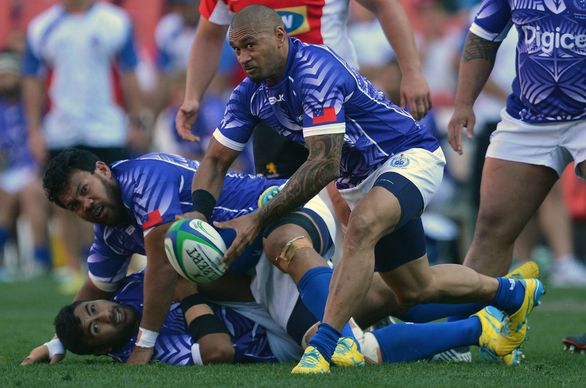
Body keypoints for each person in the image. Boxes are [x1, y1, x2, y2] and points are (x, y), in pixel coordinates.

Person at [182, 6, 544, 374]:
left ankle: (324, 347)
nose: (243, 57)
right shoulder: (249, 94)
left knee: (362, 229)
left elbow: (324, 163)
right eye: (237, 49)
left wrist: (257, 219)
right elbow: (214, 161)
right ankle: (514, 294)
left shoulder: (314, 70)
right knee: (415, 290)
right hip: (358, 181)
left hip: (406, 155)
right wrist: (197, 215)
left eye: (250, 45)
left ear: (280, 36)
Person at [21, 148, 377, 366]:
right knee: (404, 293)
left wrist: (145, 345)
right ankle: (416, 330)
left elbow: (161, 264)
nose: (86, 205)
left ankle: (339, 336)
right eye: (74, 205)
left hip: (280, 211)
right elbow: (93, 291)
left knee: (289, 254)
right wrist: (59, 341)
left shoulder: (143, 177)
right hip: (258, 276)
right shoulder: (111, 234)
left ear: (102, 170)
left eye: (85, 191)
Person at [446, 0, 586, 344]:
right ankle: (458, 334)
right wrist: (464, 102)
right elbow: (483, 36)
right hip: (528, 119)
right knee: (492, 227)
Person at [50, 270, 525, 366]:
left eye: (94, 308)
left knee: (382, 294)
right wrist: (190, 294)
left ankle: (499, 300)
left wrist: (54, 346)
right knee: (359, 348)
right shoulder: (147, 351)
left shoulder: (134, 290)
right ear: (104, 347)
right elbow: (217, 350)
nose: (104, 315)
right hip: (270, 340)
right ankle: (483, 322)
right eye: (97, 329)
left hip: (261, 299)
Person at [176, 0, 431, 179]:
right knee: (277, 212)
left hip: (338, 104)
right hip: (273, 106)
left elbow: (383, 4)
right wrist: (192, 96)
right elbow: (209, 34)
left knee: (350, 208)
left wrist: (412, 72)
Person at [22, 0, 148, 293]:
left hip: (107, 126)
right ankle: (72, 266)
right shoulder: (42, 26)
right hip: (61, 127)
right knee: (68, 201)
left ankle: (128, 267)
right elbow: (32, 79)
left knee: (119, 196)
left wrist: (137, 120)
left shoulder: (114, 20)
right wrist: (34, 130)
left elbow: (129, 72)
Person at [0, 48, 51, 277]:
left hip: (35, 171)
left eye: (9, 74)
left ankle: (41, 259)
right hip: (8, 172)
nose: (5, 80)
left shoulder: (34, 105)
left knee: (30, 192)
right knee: (5, 194)